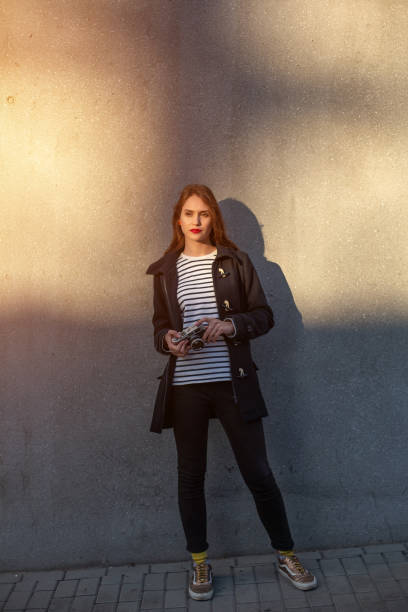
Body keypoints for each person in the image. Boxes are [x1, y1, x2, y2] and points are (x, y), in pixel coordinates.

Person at [145, 184, 317, 600]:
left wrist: (231, 325)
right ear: (178, 219)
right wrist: (168, 339)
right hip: (187, 386)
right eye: (189, 214)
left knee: (258, 472)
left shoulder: (236, 262)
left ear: (213, 219)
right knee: (191, 477)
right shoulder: (166, 270)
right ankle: (200, 564)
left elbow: (265, 315)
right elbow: (158, 327)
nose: (196, 222)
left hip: (232, 382)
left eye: (204, 214)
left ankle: (286, 553)